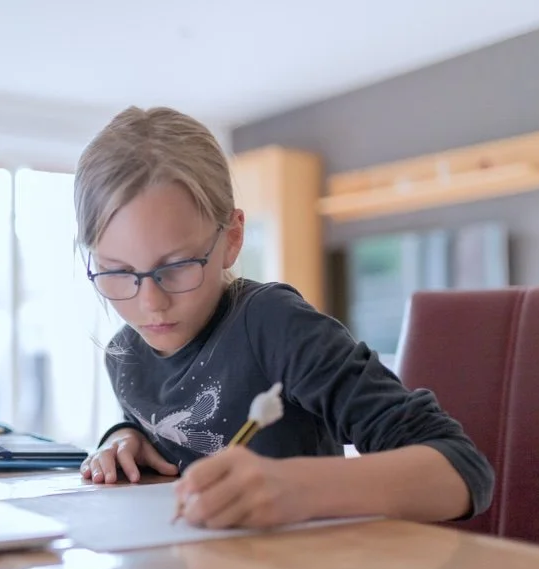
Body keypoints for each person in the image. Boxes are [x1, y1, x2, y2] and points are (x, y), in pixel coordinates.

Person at [75, 106, 494, 530]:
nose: (150, 303)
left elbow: (461, 469)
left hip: (309, 568)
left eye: (178, 265)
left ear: (232, 237)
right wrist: (124, 437)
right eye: (117, 272)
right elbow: (161, 438)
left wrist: (298, 489)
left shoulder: (273, 325)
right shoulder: (125, 354)